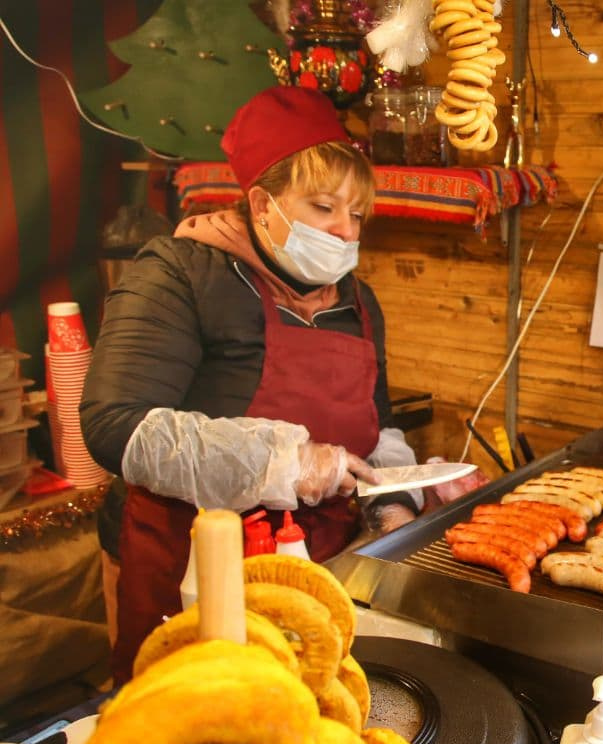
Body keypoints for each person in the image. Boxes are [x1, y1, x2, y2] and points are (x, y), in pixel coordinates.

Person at [82, 86, 428, 682]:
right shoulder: (177, 273)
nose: (346, 232)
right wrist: (289, 464)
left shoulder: (357, 300)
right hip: (190, 568)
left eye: (357, 214)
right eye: (323, 207)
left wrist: (393, 499)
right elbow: (116, 426)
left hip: (320, 568)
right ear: (263, 203)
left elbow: (379, 425)